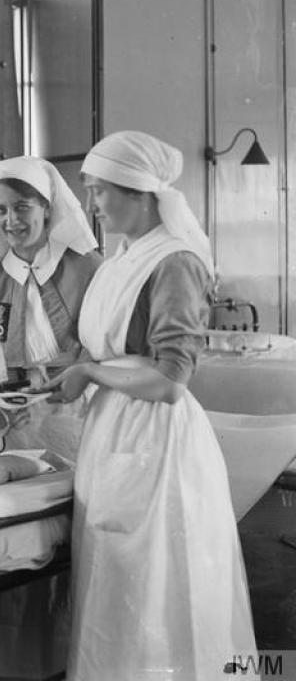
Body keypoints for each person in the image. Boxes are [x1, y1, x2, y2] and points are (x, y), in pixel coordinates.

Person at [39, 130, 257, 679]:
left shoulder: (175, 261)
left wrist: (90, 372)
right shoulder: (125, 256)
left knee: (157, 584)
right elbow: (110, 345)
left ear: (138, 191)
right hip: (116, 430)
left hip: (155, 438)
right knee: (117, 586)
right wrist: (71, 366)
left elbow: (171, 380)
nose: (91, 204)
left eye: (98, 191)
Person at [0, 156, 101, 680]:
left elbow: (108, 344)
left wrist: (74, 372)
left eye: (22, 207)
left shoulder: (88, 268)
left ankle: (74, 656)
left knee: (73, 532)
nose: (11, 220)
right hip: (16, 422)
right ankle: (15, 661)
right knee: (21, 535)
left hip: (76, 412)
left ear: (47, 208)